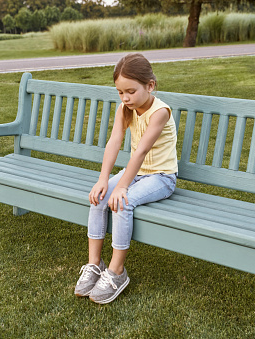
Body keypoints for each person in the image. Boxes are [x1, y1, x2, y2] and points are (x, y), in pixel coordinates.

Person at [75, 53, 178, 304]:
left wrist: (121, 187)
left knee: (122, 202)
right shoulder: (125, 108)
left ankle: (117, 272)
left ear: (150, 85)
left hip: (161, 177)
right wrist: (104, 179)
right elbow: (114, 142)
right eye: (120, 92)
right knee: (99, 198)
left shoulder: (160, 112)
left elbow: (141, 151)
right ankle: (94, 265)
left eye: (130, 91)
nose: (125, 98)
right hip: (137, 173)